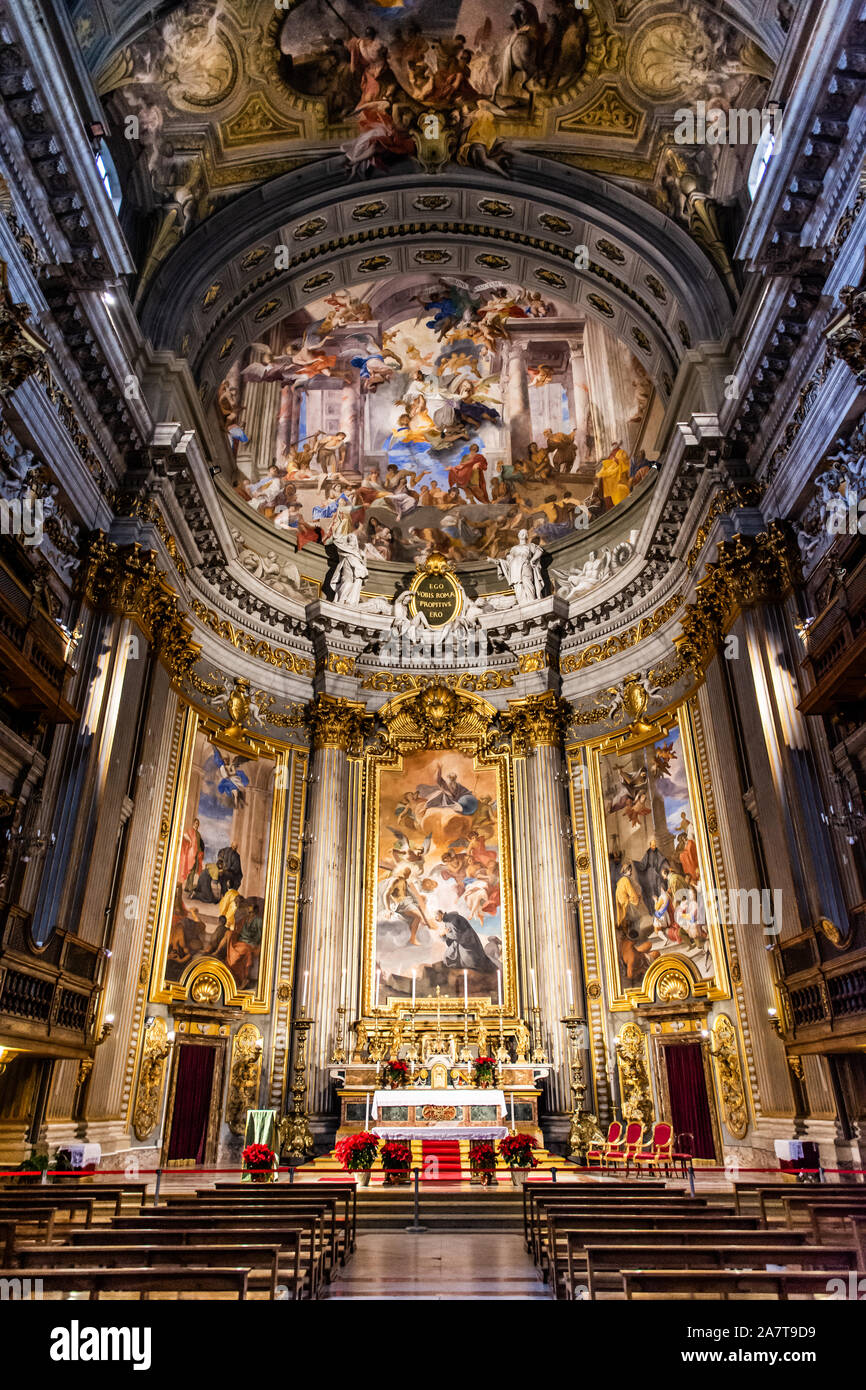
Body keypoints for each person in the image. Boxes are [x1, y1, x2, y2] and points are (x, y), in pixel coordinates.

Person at [435, 909, 495, 974]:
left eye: (436, 917)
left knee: (471, 962)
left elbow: (457, 936)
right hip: (461, 942)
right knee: (447, 957)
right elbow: (451, 936)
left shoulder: (451, 920)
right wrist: (443, 936)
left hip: (467, 943)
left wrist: (446, 934)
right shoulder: (448, 920)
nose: (436, 919)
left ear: (440, 914)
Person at [180, 817, 204, 894]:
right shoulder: (190, 831)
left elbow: (200, 845)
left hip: (197, 855)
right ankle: (188, 887)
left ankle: (188, 887)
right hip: (191, 854)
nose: (197, 825)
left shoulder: (198, 834)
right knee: (190, 870)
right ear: (194, 823)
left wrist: (200, 853)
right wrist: (189, 840)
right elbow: (184, 835)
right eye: (196, 823)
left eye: (198, 824)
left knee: (193, 871)